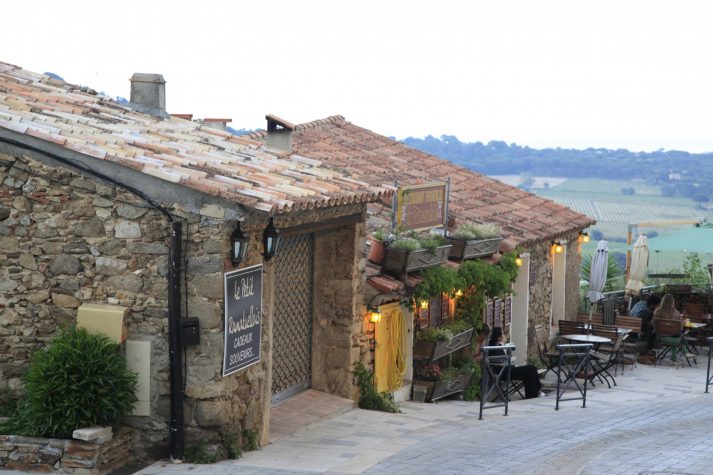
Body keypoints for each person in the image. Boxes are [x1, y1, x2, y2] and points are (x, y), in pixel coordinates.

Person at [487, 326, 544, 399]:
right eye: (503, 334)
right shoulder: (493, 347)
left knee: (529, 372)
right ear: (499, 337)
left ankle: (532, 394)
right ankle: (537, 391)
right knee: (531, 368)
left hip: (507, 369)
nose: (504, 335)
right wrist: (504, 346)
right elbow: (501, 361)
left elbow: (505, 359)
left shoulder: (498, 345)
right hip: (503, 372)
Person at [652, 293, 683, 362]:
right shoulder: (676, 313)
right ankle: (681, 354)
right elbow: (680, 327)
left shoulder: (657, 311)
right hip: (673, 339)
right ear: (673, 301)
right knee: (680, 337)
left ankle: (677, 356)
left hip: (660, 338)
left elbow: (653, 324)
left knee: (678, 337)